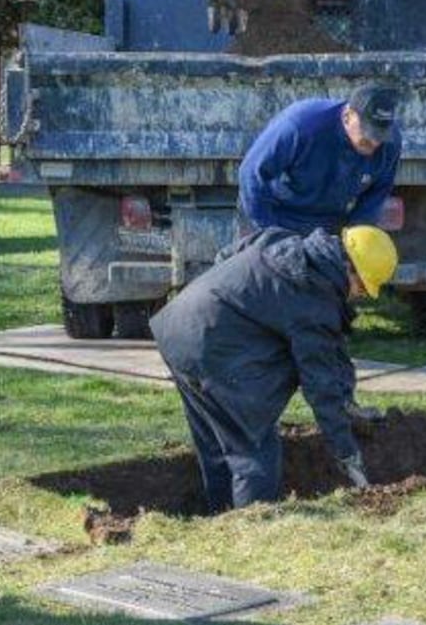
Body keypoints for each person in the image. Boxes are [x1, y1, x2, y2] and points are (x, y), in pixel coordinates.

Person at [150, 223, 398, 512]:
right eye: (362, 289)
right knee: (254, 453)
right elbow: (320, 385)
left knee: (215, 446)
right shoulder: (314, 301)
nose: (358, 296)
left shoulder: (279, 240)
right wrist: (347, 454)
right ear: (348, 269)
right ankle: (254, 531)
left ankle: (219, 522)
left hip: (178, 330)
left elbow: (226, 255)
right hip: (214, 352)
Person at [238, 84, 401, 234]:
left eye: (379, 136)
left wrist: (356, 233)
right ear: (347, 116)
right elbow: (251, 174)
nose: (374, 142)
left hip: (330, 223)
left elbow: (378, 192)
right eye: (367, 134)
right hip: (280, 215)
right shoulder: (301, 125)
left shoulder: (390, 143)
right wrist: (269, 232)